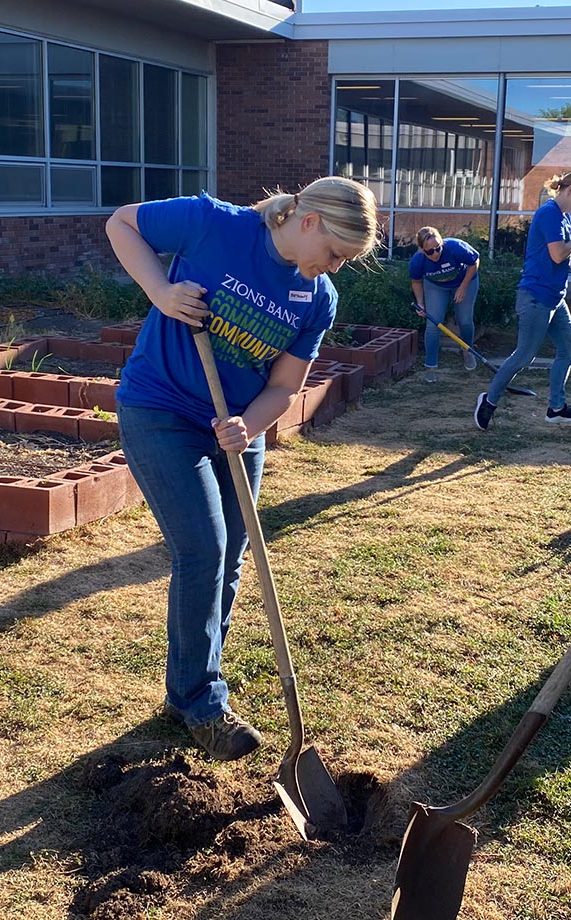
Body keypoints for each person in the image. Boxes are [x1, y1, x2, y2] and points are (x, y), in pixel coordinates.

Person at [105, 178, 379, 761]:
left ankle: (195, 681)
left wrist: (249, 426)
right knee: (203, 547)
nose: (331, 267)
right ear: (308, 221)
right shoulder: (215, 224)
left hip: (237, 425)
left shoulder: (318, 297)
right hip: (161, 411)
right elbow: (122, 222)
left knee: (232, 553)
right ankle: (200, 700)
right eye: (334, 253)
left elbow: (284, 386)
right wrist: (161, 291)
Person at [474, 173, 571, 430]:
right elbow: (559, 254)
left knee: (568, 350)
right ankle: (489, 401)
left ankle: (556, 408)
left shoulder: (566, 218)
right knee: (524, 356)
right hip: (536, 297)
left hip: (555, 298)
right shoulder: (549, 214)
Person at [409, 226, 481, 382]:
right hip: (436, 286)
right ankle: (430, 366)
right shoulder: (417, 261)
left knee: (465, 320)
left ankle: (467, 351)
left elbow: (474, 262)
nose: (435, 254)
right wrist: (420, 303)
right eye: (429, 252)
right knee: (433, 325)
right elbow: (416, 281)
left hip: (464, 281)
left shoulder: (455, 247)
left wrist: (463, 287)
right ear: (422, 250)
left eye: (438, 248)